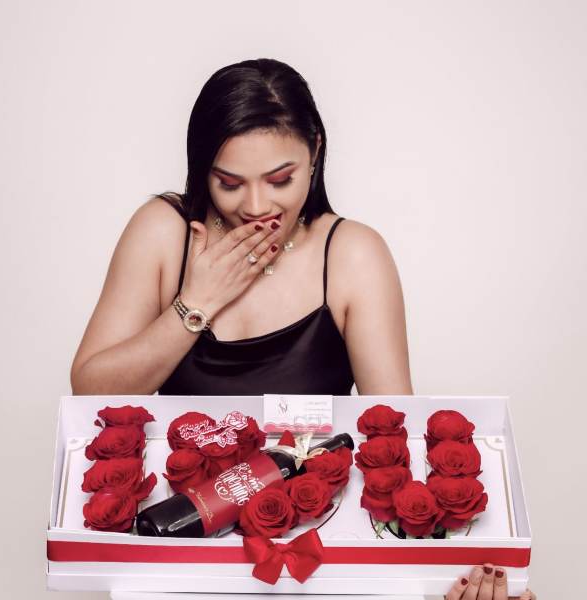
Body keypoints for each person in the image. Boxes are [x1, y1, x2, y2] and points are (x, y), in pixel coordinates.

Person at [69, 58, 534, 600]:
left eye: (280, 180)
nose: (257, 207)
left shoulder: (352, 254)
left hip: (318, 559)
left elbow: (393, 435)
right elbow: (91, 391)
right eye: (229, 183)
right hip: (181, 552)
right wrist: (197, 303)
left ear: (315, 152)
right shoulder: (164, 231)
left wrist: (450, 571)